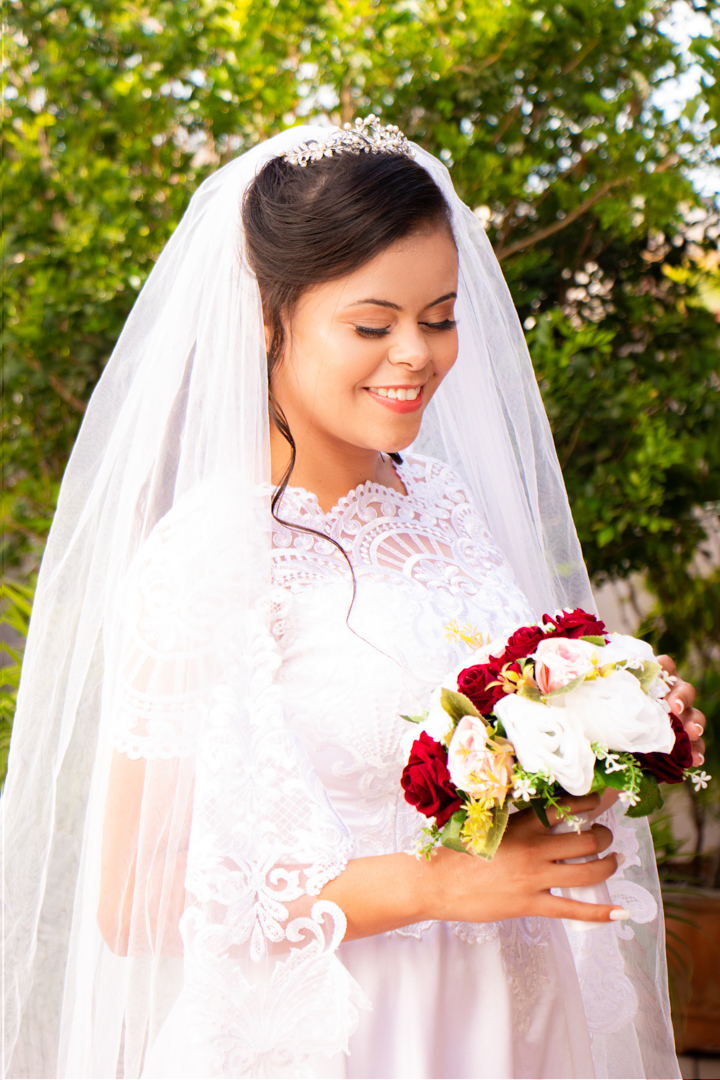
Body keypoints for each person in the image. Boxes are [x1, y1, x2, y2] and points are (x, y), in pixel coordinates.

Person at [2, 117, 705, 1080]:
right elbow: (133, 900)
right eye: (372, 325)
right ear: (266, 317)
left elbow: (481, 768)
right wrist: (432, 888)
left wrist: (609, 728)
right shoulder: (212, 551)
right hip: (348, 1037)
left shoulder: (449, 504)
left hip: (515, 1023)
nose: (414, 355)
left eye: (441, 316)